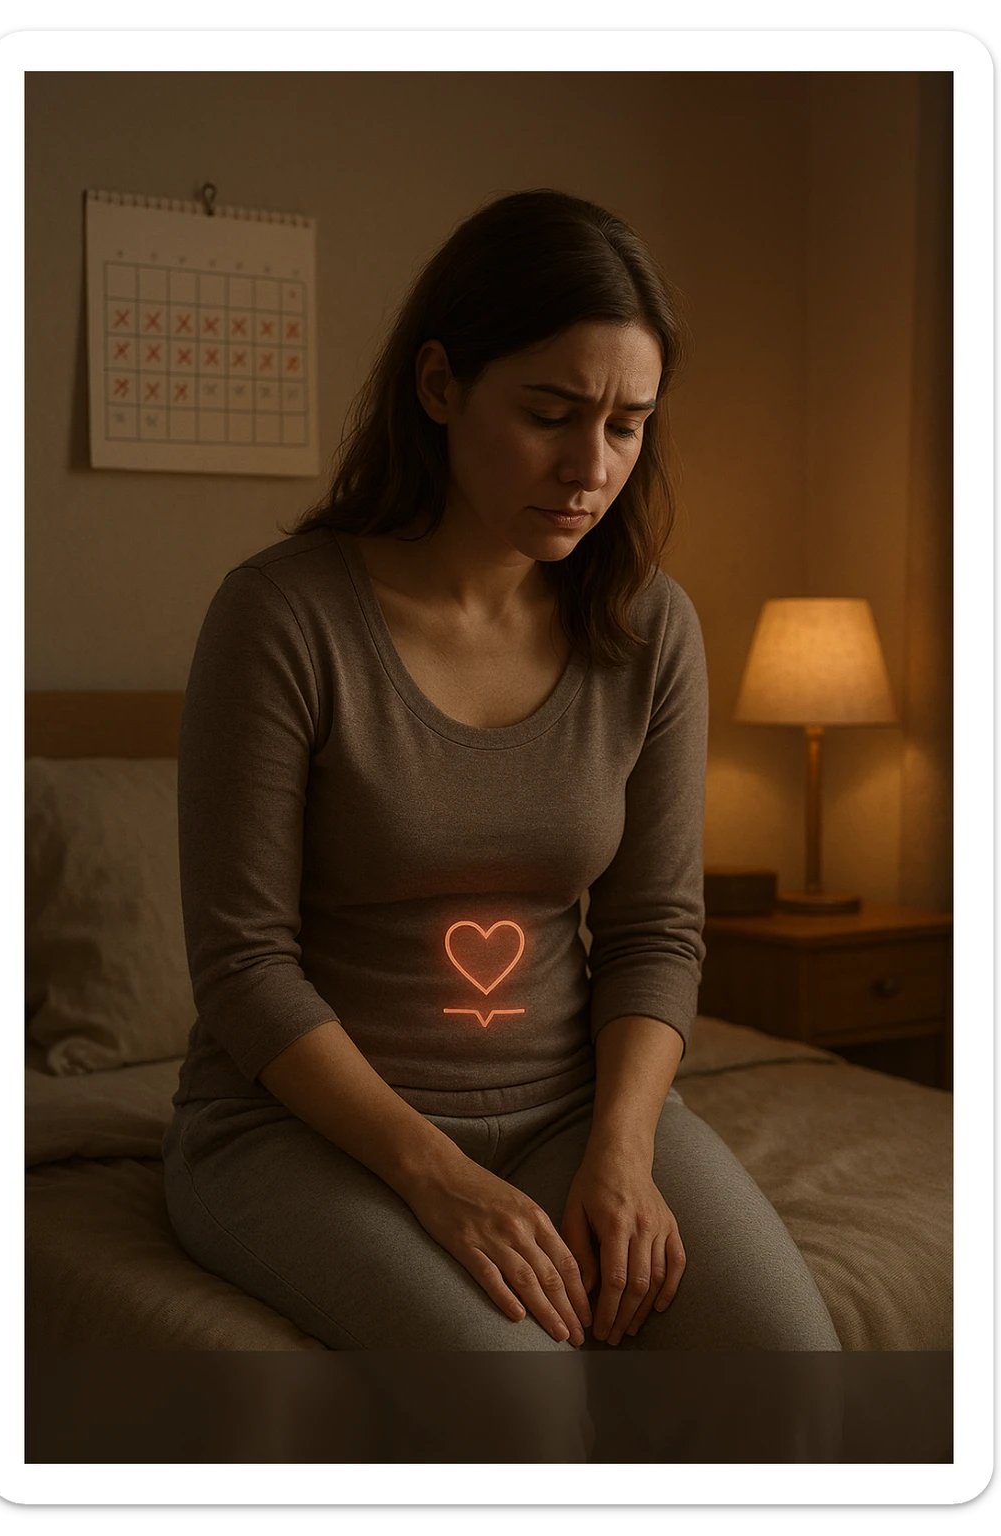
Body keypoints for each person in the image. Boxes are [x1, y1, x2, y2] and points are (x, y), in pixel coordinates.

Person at [162, 188, 842, 1463]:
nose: (591, 467)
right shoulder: (282, 619)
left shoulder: (652, 632)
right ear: (438, 385)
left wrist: (624, 1154)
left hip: (567, 1108)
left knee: (794, 1380)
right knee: (525, 1414)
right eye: (549, 415)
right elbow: (244, 968)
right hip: (300, 1131)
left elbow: (654, 931)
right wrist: (441, 1182)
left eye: (627, 426)